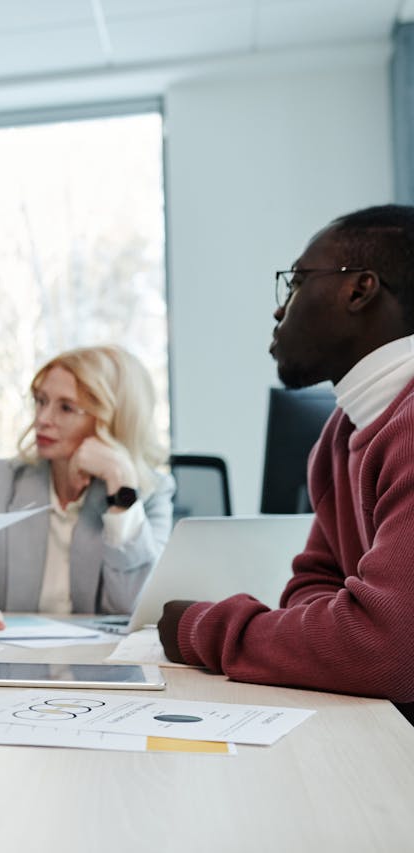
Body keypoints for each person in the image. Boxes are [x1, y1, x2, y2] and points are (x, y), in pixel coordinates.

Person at [158, 205, 414, 722]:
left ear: (359, 290)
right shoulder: (342, 432)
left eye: (294, 283)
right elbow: (313, 582)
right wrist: (334, 634)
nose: (280, 311)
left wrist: (203, 629)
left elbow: (386, 648)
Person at [0, 345, 174, 633]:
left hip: (102, 664)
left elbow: (133, 606)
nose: (42, 419)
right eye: (41, 401)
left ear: (112, 419)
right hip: (12, 659)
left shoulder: (152, 493)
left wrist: (122, 490)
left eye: (65, 407)